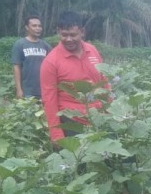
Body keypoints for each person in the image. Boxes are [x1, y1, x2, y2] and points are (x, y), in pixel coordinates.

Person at [40, 10, 109, 142]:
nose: (69, 39)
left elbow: (104, 81)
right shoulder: (50, 61)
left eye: (73, 35)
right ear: (58, 32)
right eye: (64, 35)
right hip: (72, 122)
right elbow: (49, 100)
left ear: (82, 32)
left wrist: (110, 110)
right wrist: (56, 134)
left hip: (99, 118)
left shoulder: (92, 50)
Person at [11, 15, 51, 99]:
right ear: (27, 27)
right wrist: (19, 89)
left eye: (39, 26)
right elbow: (16, 67)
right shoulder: (20, 44)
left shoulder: (45, 45)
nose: (38, 28)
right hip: (27, 91)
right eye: (34, 26)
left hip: (44, 90)